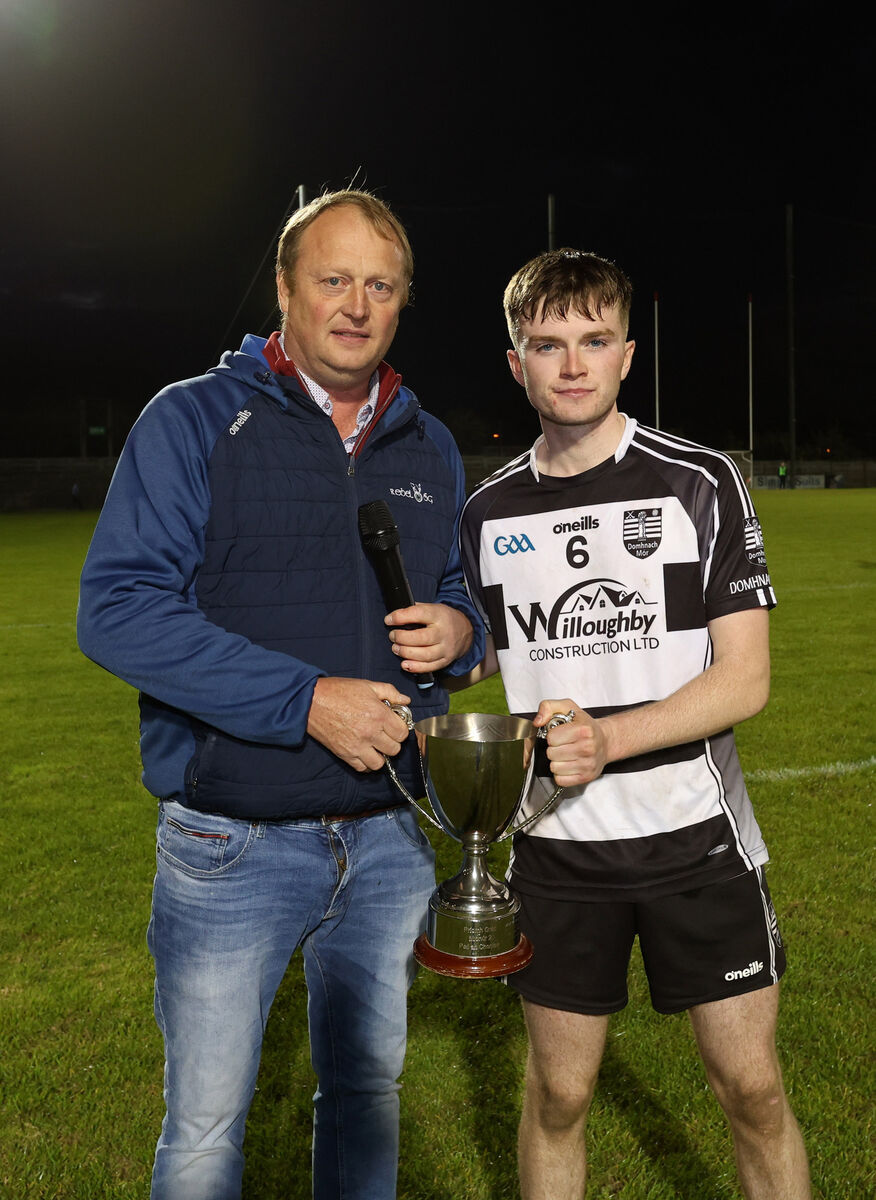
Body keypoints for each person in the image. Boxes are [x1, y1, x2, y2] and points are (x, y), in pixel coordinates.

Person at [77, 189, 484, 1200]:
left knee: (365, 1096)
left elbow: (455, 588)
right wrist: (304, 700)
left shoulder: (426, 444)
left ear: (401, 305)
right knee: (209, 1130)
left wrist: (464, 626)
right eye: (333, 279)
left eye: (380, 285)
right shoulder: (193, 419)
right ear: (285, 291)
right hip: (234, 842)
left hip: (390, 836)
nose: (356, 304)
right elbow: (119, 609)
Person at [457, 249, 811, 1199]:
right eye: (547, 344)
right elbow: (477, 654)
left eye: (593, 341)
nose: (571, 364)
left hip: (697, 842)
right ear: (516, 364)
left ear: (626, 355)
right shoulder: (486, 512)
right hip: (558, 854)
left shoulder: (699, 482)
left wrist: (608, 740)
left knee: (753, 1090)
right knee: (560, 1097)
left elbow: (745, 681)